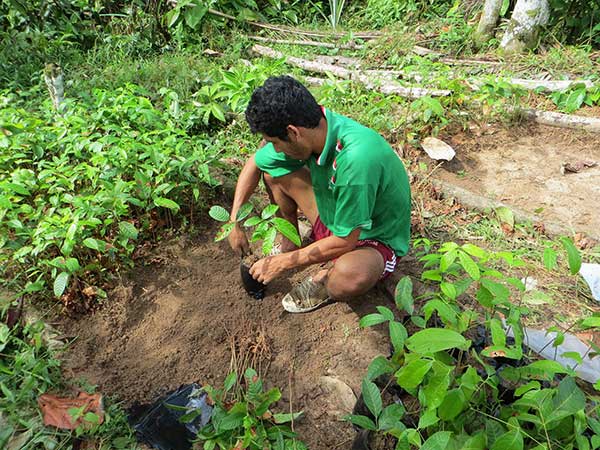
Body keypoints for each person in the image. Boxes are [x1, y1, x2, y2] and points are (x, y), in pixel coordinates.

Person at [227, 75, 411, 313]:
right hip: (336, 215)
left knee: (349, 276)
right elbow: (255, 163)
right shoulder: (316, 130)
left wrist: (284, 264)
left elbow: (347, 241)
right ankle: (290, 242)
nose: (273, 149)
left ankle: (325, 279)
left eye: (274, 142)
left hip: (372, 237)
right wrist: (234, 221)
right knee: (273, 173)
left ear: (293, 132)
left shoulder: (356, 159)